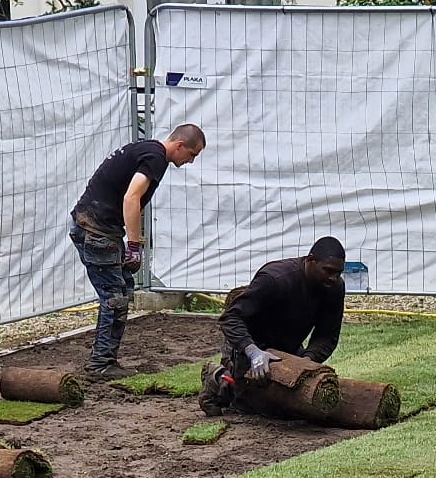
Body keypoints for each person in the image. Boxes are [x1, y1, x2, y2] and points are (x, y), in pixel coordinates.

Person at [68, 123, 206, 376]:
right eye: (192, 155)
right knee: (114, 296)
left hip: (96, 225)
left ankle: (105, 359)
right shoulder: (155, 157)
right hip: (97, 230)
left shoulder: (147, 151)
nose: (191, 161)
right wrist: (134, 245)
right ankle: (101, 364)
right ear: (179, 145)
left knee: (121, 291)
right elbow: (131, 197)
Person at [202, 237, 349, 415]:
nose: (333, 278)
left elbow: (326, 336)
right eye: (328, 271)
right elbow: (231, 318)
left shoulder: (334, 288)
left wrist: (306, 363)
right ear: (311, 260)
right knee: (252, 406)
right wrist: (253, 352)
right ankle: (220, 378)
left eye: (338, 273)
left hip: (288, 350)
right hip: (250, 345)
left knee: (292, 408)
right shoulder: (275, 279)